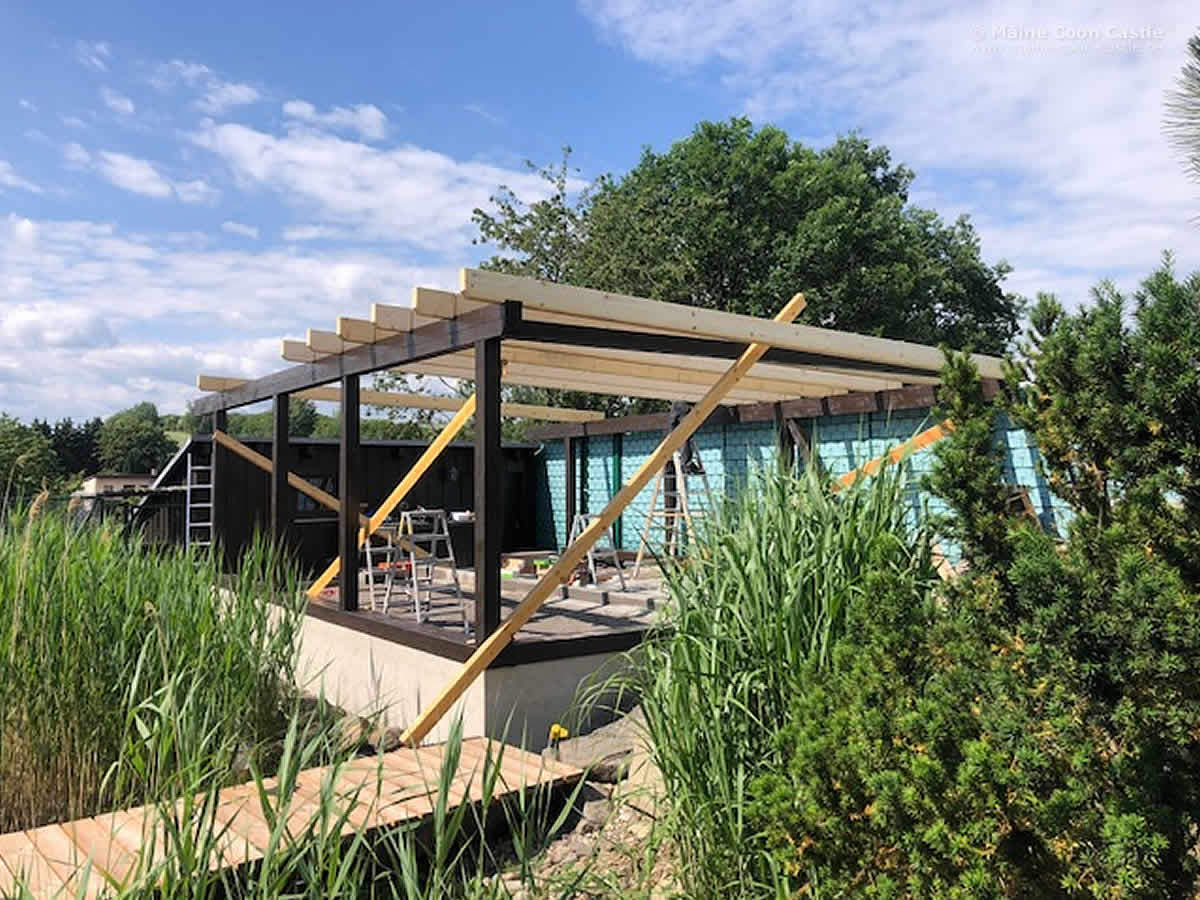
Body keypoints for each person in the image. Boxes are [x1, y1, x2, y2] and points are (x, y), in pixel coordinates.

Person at [667, 401, 704, 474]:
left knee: (680, 438)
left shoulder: (675, 405)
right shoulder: (683, 406)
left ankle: (685, 465)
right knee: (686, 437)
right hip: (682, 409)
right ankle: (686, 465)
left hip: (675, 412)